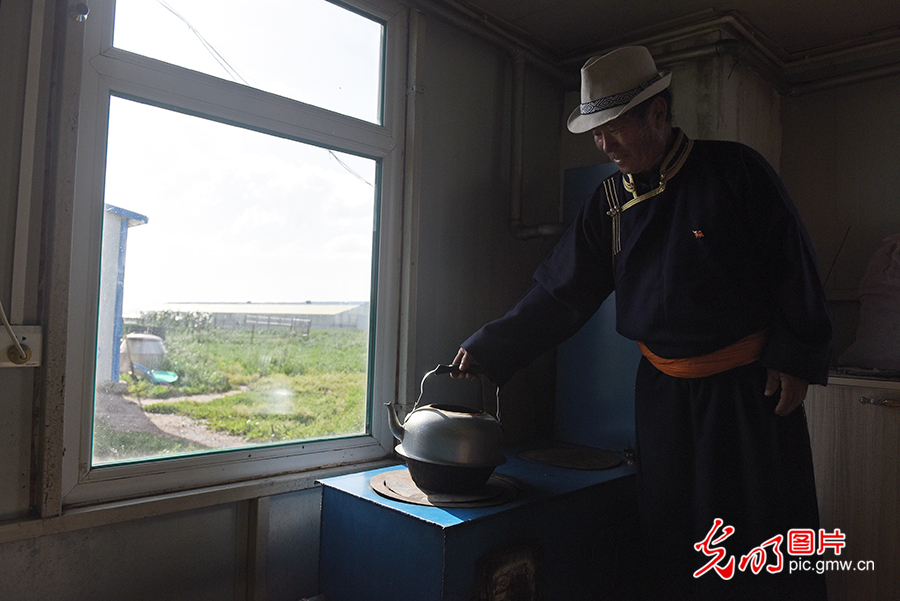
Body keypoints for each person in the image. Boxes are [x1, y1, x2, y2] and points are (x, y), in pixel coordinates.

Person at [452, 46, 832, 600]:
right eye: (595, 132)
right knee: (673, 535)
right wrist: (491, 347)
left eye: (612, 128)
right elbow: (559, 293)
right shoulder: (608, 203)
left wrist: (795, 355)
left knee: (759, 535)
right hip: (662, 397)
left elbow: (793, 264)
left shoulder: (735, 171)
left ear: (657, 112)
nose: (603, 144)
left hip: (746, 392)